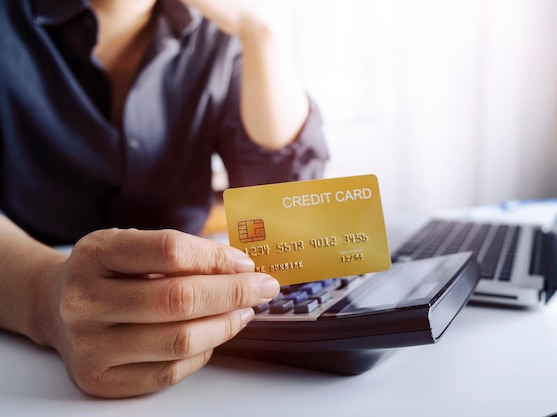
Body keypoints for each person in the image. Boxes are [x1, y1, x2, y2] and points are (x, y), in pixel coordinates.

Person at [0, 0, 328, 398]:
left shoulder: (218, 35)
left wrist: (257, 31)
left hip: (202, 352)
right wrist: (44, 295)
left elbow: (283, 200)